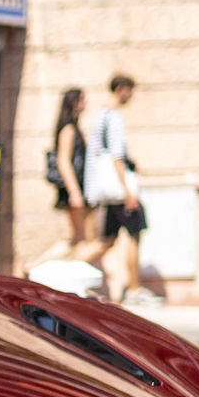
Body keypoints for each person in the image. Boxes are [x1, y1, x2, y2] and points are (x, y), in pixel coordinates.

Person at [80, 74, 145, 303]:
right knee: (135, 234)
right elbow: (117, 157)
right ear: (120, 89)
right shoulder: (114, 118)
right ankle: (135, 289)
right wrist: (129, 192)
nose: (130, 96)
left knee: (106, 240)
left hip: (109, 193)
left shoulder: (101, 117)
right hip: (119, 192)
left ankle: (69, 265)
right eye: (129, 91)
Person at [36, 86, 91, 263]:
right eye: (83, 100)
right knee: (81, 239)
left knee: (79, 239)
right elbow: (63, 161)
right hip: (73, 189)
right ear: (75, 103)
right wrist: (75, 193)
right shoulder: (69, 129)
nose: (86, 104)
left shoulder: (72, 127)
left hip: (75, 189)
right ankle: (36, 264)